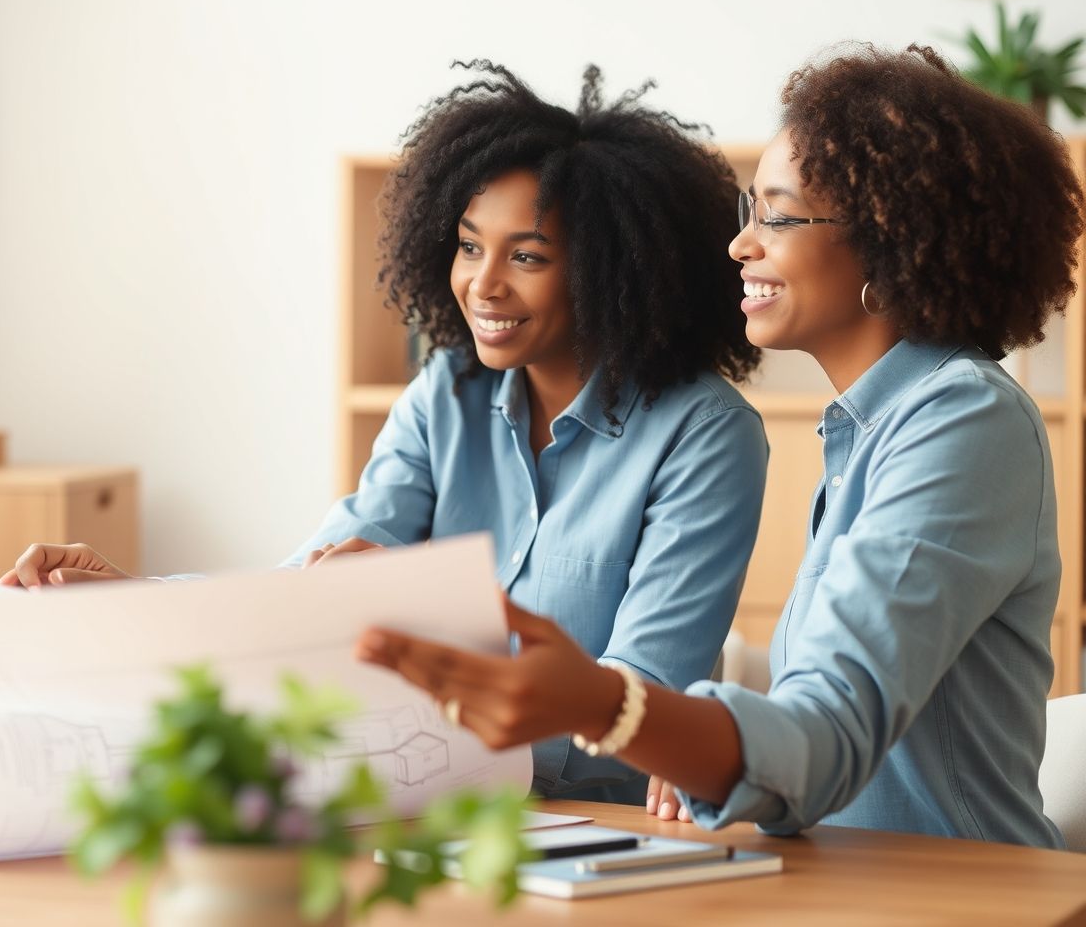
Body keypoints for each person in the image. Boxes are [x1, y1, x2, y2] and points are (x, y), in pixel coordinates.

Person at [355, 44, 1080, 847]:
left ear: (887, 239)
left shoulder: (962, 422)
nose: (741, 246)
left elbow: (828, 739)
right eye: (749, 213)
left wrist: (610, 706)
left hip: (959, 894)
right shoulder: (868, 431)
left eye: (778, 215)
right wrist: (688, 734)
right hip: (839, 884)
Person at [0, 61, 769, 804]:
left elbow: (636, 704)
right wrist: (133, 602)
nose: (483, 284)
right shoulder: (448, 395)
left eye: (526, 256)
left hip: (597, 830)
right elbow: (303, 593)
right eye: (469, 246)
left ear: (613, 272)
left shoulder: (705, 437)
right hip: (419, 801)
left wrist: (419, 676)